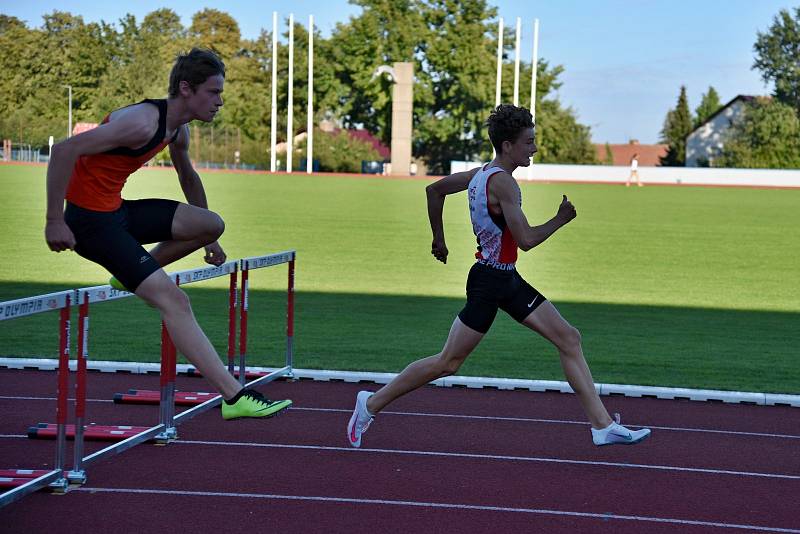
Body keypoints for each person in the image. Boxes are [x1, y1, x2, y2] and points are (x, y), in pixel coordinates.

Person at [347, 104, 650, 448]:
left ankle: (602, 425)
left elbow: (435, 191)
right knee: (448, 362)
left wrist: (439, 239)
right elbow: (526, 240)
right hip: (489, 284)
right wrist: (561, 219)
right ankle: (369, 404)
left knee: (569, 338)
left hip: (506, 279)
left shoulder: (480, 174)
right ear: (507, 145)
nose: (534, 148)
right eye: (528, 142)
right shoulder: (504, 184)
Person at [44, 48, 291, 420]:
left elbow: (188, 177)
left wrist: (212, 241)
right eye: (214, 92)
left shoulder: (177, 129)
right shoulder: (142, 123)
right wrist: (54, 221)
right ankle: (233, 396)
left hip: (117, 212)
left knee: (211, 223)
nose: (220, 102)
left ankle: (129, 274)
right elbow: (64, 151)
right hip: (89, 224)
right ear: (187, 89)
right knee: (176, 302)